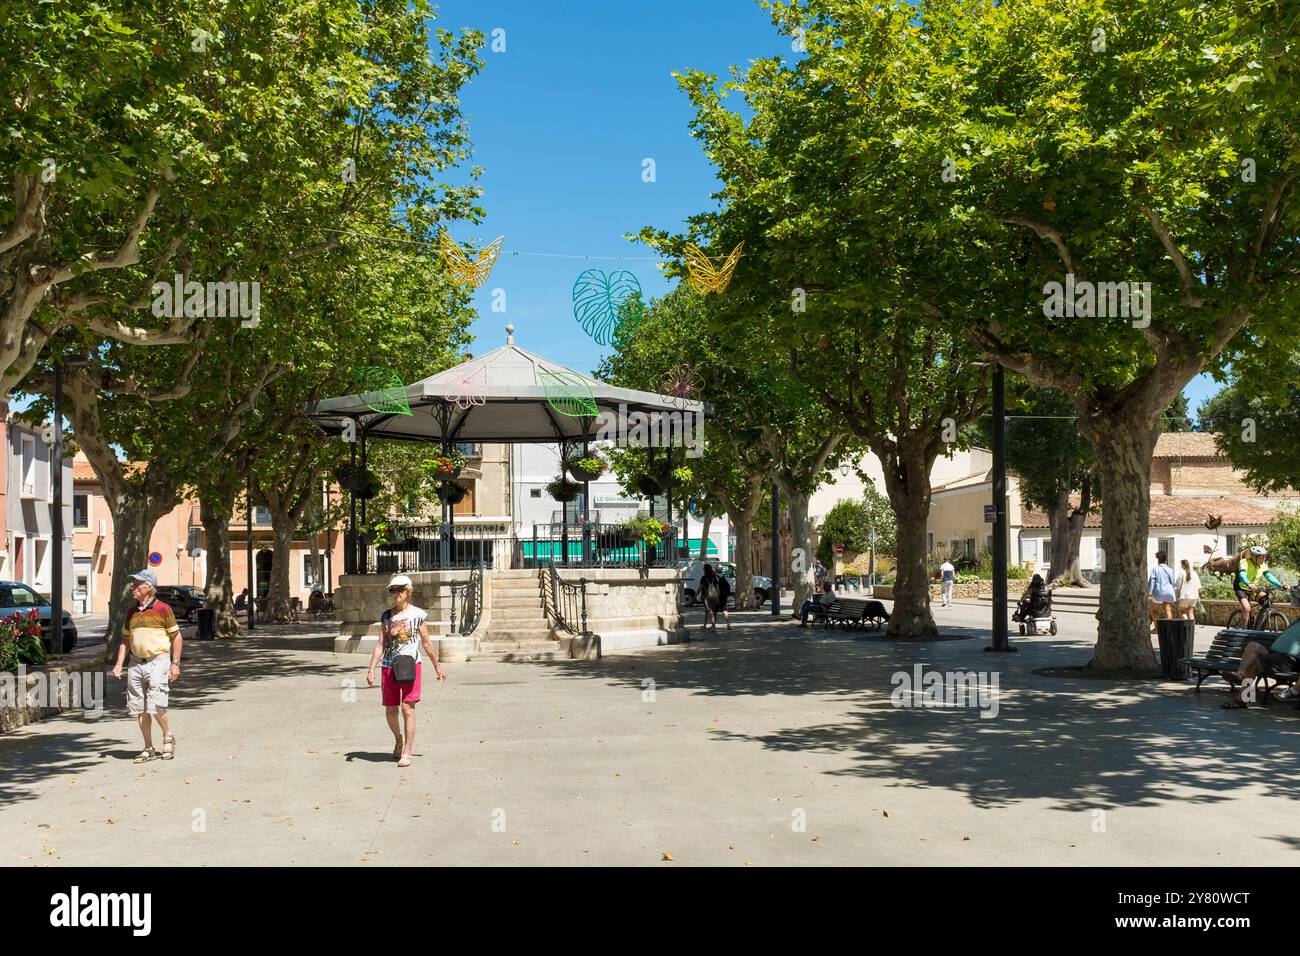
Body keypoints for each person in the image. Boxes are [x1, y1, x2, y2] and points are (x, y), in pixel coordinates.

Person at [366, 574, 445, 767]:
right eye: (392, 590)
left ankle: (407, 752)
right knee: (391, 711)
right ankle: (398, 739)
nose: (395, 594)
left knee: (407, 708)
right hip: (388, 667)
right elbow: (379, 645)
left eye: (399, 590)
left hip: (411, 666)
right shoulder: (386, 616)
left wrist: (437, 666)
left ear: (407, 591)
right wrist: (371, 669)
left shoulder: (418, 615)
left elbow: (426, 643)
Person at [110, 569, 183, 763]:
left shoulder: (163, 608)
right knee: (140, 709)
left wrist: (175, 664)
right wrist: (119, 664)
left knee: (156, 705)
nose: (132, 587)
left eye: (136, 584)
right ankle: (148, 747)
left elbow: (176, 637)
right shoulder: (132, 612)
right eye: (132, 584)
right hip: (135, 664)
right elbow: (125, 639)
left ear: (148, 587)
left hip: (158, 661)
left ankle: (168, 737)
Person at [1221, 623, 1300, 708]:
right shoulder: (1297, 620)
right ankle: (1240, 673)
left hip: (1289, 658)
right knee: (1253, 645)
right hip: (1274, 652)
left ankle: (1242, 700)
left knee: (1255, 663)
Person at [1235, 545, 1282, 624]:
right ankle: (1242, 631)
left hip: (1254, 588)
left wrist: (1280, 585)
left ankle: (1258, 625)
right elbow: (1242, 575)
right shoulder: (1244, 562)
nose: (1264, 559)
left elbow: (1269, 576)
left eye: (1264, 557)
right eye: (1261, 557)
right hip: (1241, 588)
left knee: (1266, 601)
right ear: (1253, 557)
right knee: (1246, 609)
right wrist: (1248, 583)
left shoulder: (1262, 565)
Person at [699, 563, 731, 633]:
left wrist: (697, 594)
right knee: (723, 610)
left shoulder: (704, 577)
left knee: (711, 611)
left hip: (707, 596)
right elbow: (717, 588)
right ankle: (728, 624)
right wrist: (717, 595)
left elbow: (701, 587)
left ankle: (712, 626)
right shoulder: (718, 577)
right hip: (717, 596)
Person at [1148, 550, 1177, 625]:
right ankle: (1169, 628)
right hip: (1169, 592)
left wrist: (1149, 591)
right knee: (1168, 610)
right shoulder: (1170, 570)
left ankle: (1157, 628)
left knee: (1154, 611)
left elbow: (1152, 581)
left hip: (1159, 592)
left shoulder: (1155, 569)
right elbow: (1173, 583)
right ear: (1166, 561)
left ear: (1158, 560)